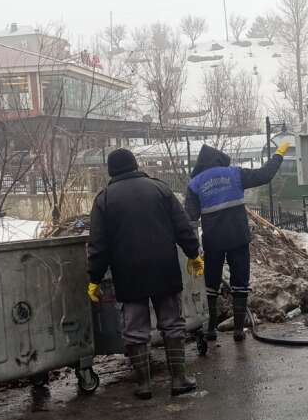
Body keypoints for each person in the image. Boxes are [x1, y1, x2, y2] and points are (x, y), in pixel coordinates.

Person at [87, 148, 203, 399]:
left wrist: (94, 279)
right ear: (135, 164)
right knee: (172, 323)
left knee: (135, 329)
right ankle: (179, 379)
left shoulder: (104, 199)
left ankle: (144, 384)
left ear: (110, 170)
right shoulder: (160, 189)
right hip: (164, 267)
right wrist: (193, 254)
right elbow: (182, 226)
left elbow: (98, 245)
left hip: (129, 274)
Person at [185, 141, 290, 342]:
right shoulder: (234, 174)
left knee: (211, 283)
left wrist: (192, 249)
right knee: (240, 281)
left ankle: (210, 330)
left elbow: (189, 217)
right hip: (238, 236)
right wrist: (278, 154)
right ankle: (239, 330)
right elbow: (264, 175)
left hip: (213, 240)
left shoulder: (195, 183)